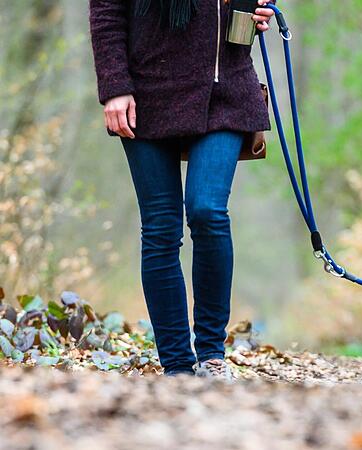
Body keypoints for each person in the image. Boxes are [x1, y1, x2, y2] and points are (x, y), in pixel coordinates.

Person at [88, 0, 276, 379]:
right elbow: (107, 11)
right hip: (145, 93)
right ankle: (177, 366)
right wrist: (114, 86)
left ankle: (211, 355)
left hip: (224, 91)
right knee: (160, 227)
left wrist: (262, 9)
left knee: (207, 210)